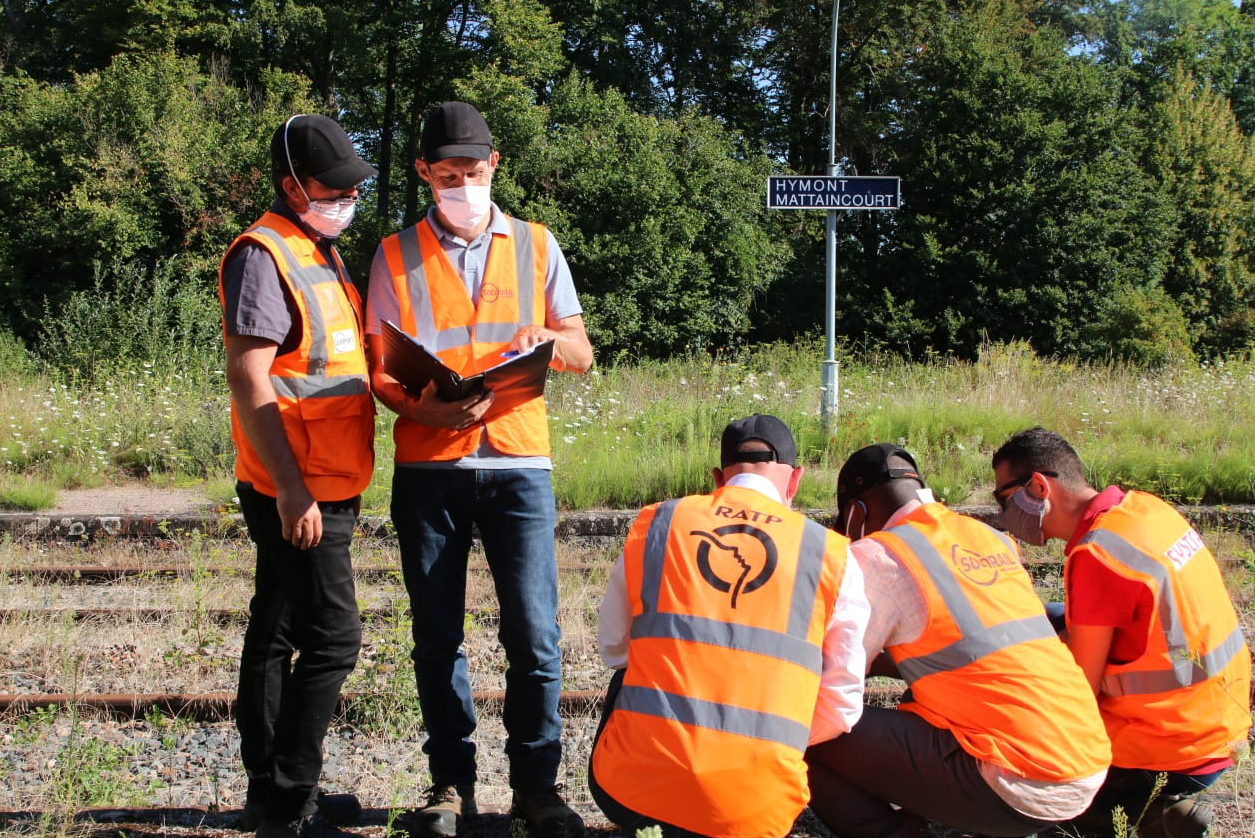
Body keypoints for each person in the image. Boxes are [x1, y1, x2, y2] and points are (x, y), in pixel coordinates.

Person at [364, 101, 594, 838]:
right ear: (426, 173)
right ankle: (449, 787)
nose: (462, 185)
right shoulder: (392, 254)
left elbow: (583, 353)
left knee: (535, 636)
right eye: (447, 175)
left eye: (473, 172)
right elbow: (378, 370)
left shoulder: (537, 244)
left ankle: (537, 790)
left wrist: (547, 339)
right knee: (438, 637)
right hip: (430, 465)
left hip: (520, 463)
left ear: (495, 166)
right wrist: (423, 412)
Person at [805, 443, 1113, 838]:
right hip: (1084, 758)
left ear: (857, 514)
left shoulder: (879, 556)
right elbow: (963, 652)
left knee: (809, 727)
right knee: (914, 700)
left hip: (1021, 785)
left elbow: (837, 681)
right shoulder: (988, 537)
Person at [590, 414, 870, 838]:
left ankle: (657, 813)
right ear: (795, 480)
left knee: (632, 668)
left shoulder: (660, 521)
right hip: (757, 810)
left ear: (719, 477)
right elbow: (842, 706)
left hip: (632, 789)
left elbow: (613, 646)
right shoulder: (831, 553)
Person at [218, 114, 377, 838]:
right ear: (291, 186)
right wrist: (291, 489)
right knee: (335, 637)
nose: (347, 199)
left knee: (276, 630)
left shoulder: (316, 247)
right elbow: (251, 382)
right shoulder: (264, 254)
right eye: (333, 190)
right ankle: (289, 799)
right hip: (300, 488)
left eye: (353, 189)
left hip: (324, 479)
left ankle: (272, 795)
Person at [991, 427, 1252, 837]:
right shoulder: (1144, 509)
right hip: (1218, 722)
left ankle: (1157, 815)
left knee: (1020, 798)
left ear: (1039, 487)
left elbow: (1079, 693)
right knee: (1051, 616)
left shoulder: (1098, 554)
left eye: (1003, 500)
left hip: (1167, 753)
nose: (1004, 517)